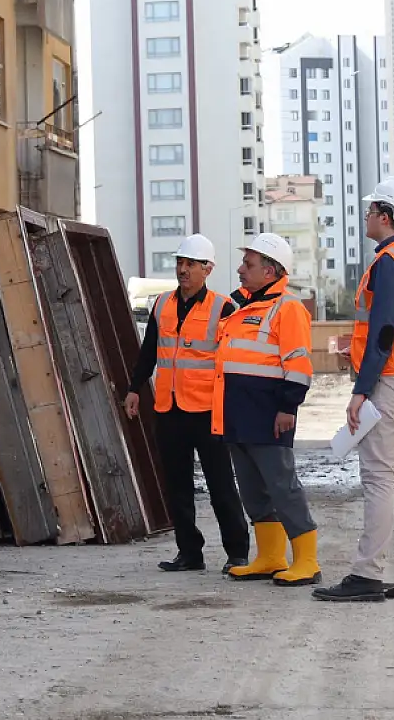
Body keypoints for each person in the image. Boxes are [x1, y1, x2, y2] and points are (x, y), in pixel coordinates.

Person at [315, 177, 394, 603]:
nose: (367, 216)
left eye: (371, 211)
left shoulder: (389, 262)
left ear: (385, 217)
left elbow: (385, 330)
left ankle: (368, 575)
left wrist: (361, 389)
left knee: (379, 480)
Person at [123, 235, 251, 574]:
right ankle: (189, 553)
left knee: (220, 484)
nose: (183, 269)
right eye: (180, 263)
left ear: (207, 270)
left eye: (190, 264)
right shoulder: (162, 304)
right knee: (177, 486)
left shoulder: (223, 308)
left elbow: (234, 360)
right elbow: (149, 350)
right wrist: (135, 388)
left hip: (208, 411)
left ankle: (237, 552)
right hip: (169, 408)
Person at [212, 233, 321, 586]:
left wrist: (288, 406)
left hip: (270, 415)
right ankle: (270, 557)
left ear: (271, 271)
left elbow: (299, 363)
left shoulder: (287, 309)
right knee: (253, 490)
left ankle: (307, 561)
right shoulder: (242, 308)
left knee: (282, 486)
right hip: (238, 413)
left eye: (249, 264)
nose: (241, 269)